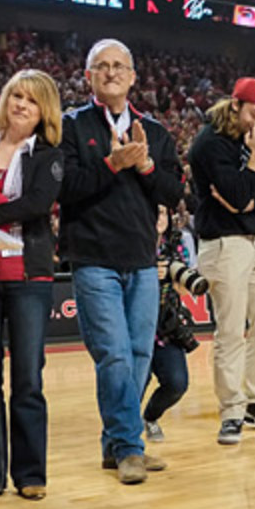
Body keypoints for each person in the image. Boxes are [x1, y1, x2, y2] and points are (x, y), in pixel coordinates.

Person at [58, 38, 183, 482]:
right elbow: (64, 189)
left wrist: (146, 166)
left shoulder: (157, 133)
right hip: (93, 258)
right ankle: (131, 447)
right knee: (112, 354)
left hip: (142, 260)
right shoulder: (69, 126)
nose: (111, 72)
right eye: (102, 66)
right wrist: (112, 164)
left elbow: (174, 193)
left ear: (132, 77)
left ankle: (116, 442)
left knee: (136, 355)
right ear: (89, 76)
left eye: (119, 66)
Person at [0, 69, 64, 506]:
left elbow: (38, 204)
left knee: (28, 379)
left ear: (45, 112)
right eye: (16, 95)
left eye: (32, 100)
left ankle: (30, 472)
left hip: (30, 278)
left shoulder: (49, 153)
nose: (22, 104)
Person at [188, 76, 255, 444]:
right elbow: (237, 193)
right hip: (223, 243)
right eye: (252, 115)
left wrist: (247, 196)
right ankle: (231, 410)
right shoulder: (209, 143)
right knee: (230, 330)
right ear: (235, 105)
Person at [142, 206, 198, 442]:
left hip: (166, 326)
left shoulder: (177, 241)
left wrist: (170, 276)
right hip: (137, 326)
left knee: (177, 383)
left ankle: (150, 417)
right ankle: (125, 434)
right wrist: (146, 273)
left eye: (163, 213)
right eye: (154, 212)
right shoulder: (131, 239)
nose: (159, 218)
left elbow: (186, 287)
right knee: (134, 384)